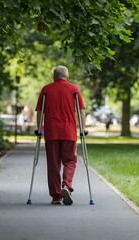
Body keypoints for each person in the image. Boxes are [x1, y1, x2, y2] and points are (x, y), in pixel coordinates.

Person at [35, 65, 88, 205]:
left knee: (53, 164)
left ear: (54, 77)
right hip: (69, 132)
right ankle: (66, 185)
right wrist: (83, 128)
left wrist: (38, 129)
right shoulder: (74, 89)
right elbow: (81, 110)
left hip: (51, 132)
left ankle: (56, 196)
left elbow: (39, 111)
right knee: (70, 161)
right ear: (67, 77)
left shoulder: (46, 89)